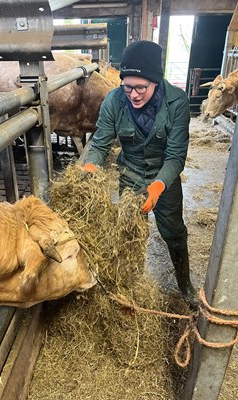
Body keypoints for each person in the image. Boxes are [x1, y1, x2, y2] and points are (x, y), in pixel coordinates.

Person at [83, 40, 197, 310]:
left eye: (140, 87)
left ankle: (186, 286)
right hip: (131, 172)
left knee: (174, 232)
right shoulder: (114, 100)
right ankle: (131, 286)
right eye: (127, 86)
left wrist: (158, 186)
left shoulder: (177, 101)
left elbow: (175, 155)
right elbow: (100, 143)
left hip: (163, 177)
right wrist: (89, 167)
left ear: (155, 81)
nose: (133, 94)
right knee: (130, 231)